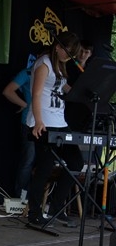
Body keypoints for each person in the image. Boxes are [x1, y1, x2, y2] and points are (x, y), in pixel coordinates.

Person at [26, 31, 84, 228]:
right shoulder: (44, 63)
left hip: (59, 121)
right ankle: (34, 213)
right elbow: (36, 94)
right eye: (68, 52)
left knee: (76, 162)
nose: (69, 56)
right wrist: (38, 121)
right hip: (43, 120)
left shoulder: (60, 64)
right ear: (58, 47)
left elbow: (63, 87)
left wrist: (82, 93)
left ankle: (56, 206)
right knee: (44, 167)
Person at [2, 64, 35, 199]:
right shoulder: (28, 73)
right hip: (29, 122)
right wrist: (25, 105)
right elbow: (8, 91)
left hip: (49, 122)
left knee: (44, 161)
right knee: (28, 160)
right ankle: (22, 198)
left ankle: (37, 198)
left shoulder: (56, 73)